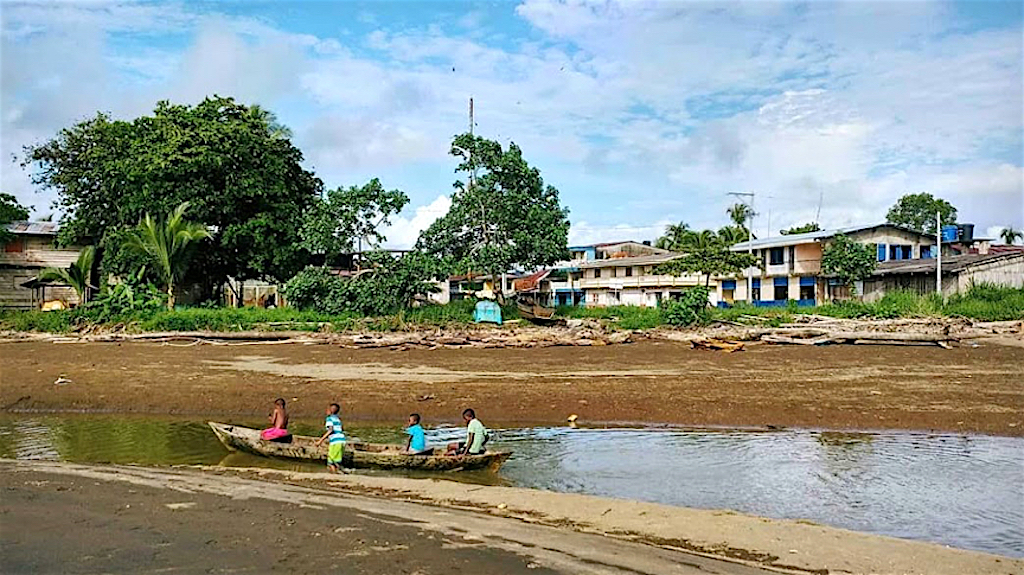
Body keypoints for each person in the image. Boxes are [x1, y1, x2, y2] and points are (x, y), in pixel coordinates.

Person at [315, 403, 346, 473]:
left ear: (330, 411)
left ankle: (335, 475)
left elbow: (330, 430)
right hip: (341, 440)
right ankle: (335, 473)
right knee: (335, 460)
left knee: (331, 462)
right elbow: (341, 429)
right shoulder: (338, 419)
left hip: (336, 441)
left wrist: (320, 441)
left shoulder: (329, 419)